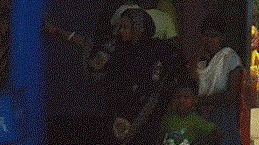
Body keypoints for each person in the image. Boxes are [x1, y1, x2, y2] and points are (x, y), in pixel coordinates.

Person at [92, 8, 185, 145]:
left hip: (147, 116)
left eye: (125, 27)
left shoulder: (158, 49)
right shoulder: (117, 48)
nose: (120, 31)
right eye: (120, 27)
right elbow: (94, 56)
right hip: (119, 114)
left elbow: (176, 69)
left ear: (138, 28)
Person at [194, 16, 243, 145]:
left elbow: (230, 96)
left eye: (214, 36)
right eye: (206, 36)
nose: (209, 40)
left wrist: (200, 101)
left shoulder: (228, 56)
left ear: (222, 38)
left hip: (222, 118)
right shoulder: (202, 63)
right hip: (202, 119)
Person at [160, 79, 218, 145]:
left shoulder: (196, 120)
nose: (182, 101)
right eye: (178, 97)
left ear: (194, 100)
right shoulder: (169, 116)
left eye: (186, 97)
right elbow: (161, 134)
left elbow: (216, 133)